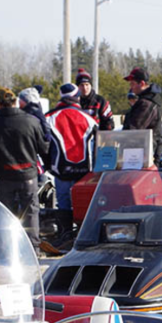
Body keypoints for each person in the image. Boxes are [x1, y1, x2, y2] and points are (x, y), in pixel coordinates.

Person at [0, 88, 49, 255]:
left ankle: (4, 251)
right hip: (28, 175)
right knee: (31, 213)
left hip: (4, 176)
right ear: (16, 102)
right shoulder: (31, 121)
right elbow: (43, 147)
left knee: (5, 214)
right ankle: (32, 250)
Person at [44, 83, 97, 243]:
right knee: (84, 203)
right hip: (85, 171)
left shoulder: (50, 117)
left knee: (63, 203)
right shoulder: (89, 119)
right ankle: (85, 235)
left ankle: (65, 234)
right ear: (77, 98)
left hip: (61, 170)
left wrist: (48, 165)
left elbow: (44, 145)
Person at [122, 67, 162, 164]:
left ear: (142, 83)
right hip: (142, 153)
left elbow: (134, 129)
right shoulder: (144, 100)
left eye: (133, 84)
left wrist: (120, 139)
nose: (131, 87)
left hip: (143, 155)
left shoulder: (147, 104)